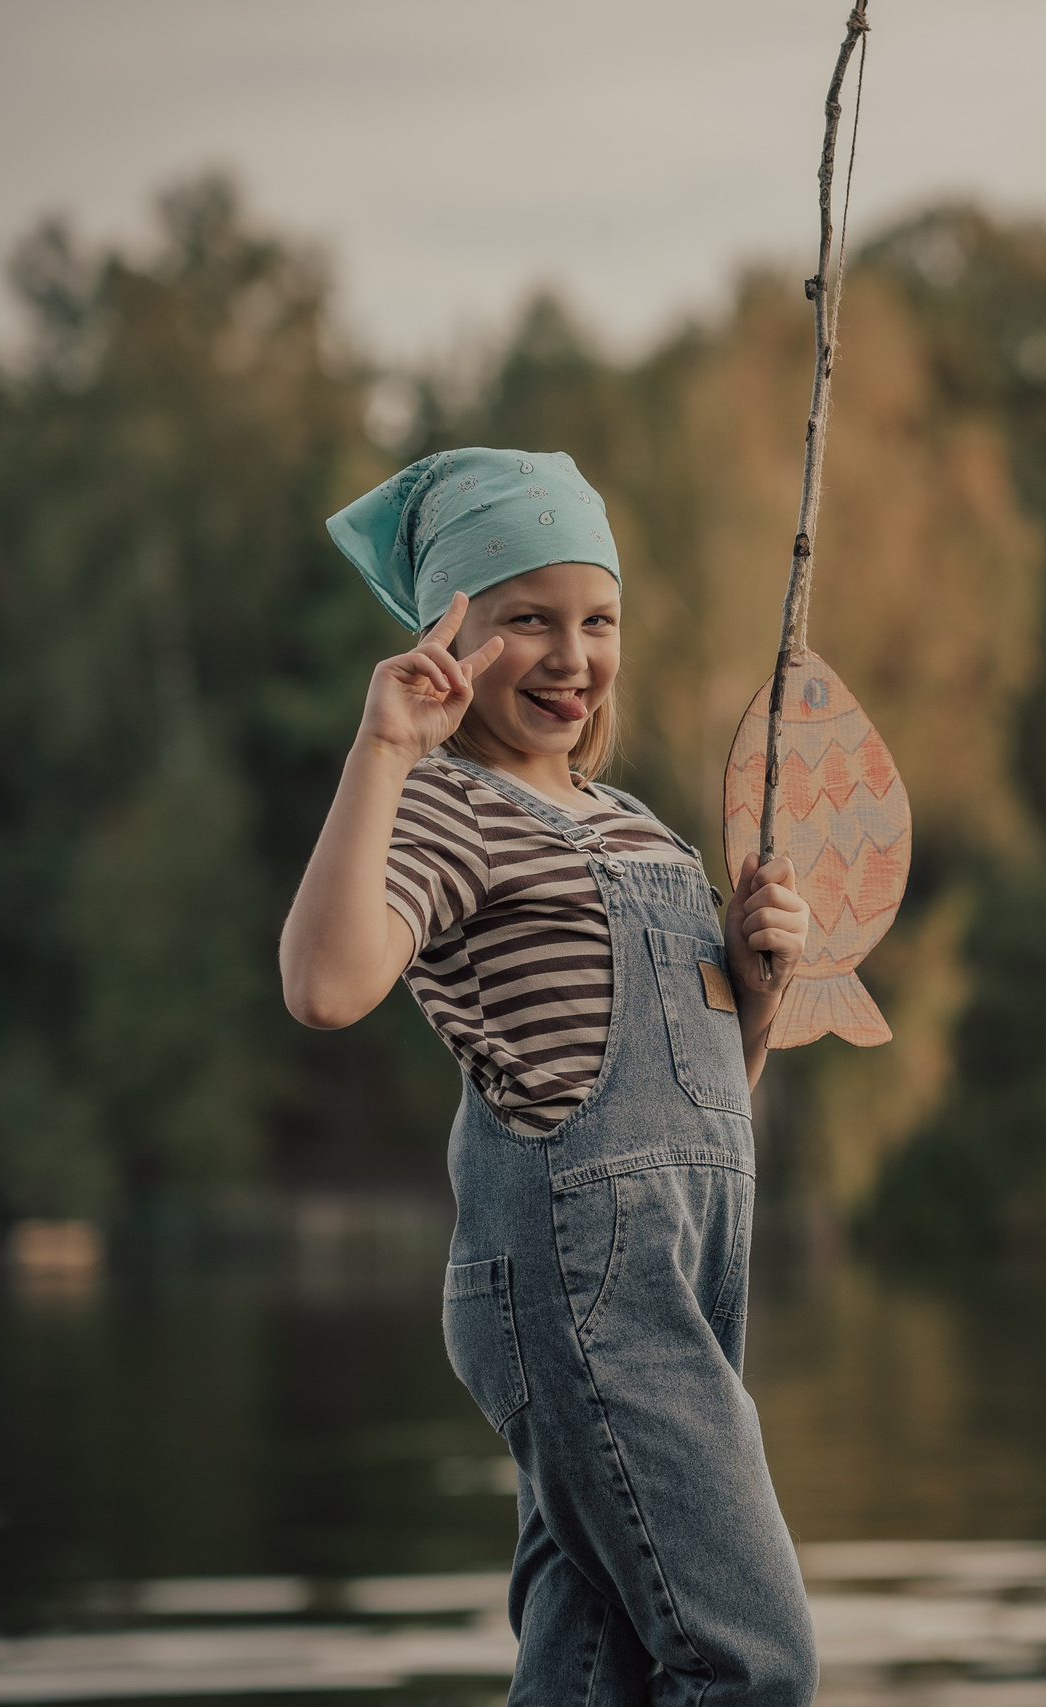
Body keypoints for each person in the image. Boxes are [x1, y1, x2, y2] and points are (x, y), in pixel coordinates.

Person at [279, 447, 818, 1707]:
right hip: (582, 1285)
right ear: (448, 638)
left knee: (596, 1660)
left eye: (597, 619)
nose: (572, 655)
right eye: (525, 620)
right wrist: (381, 749)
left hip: (685, 1273)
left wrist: (757, 981)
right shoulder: (446, 809)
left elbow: (699, 1099)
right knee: (754, 1660)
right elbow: (322, 982)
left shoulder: (642, 827)